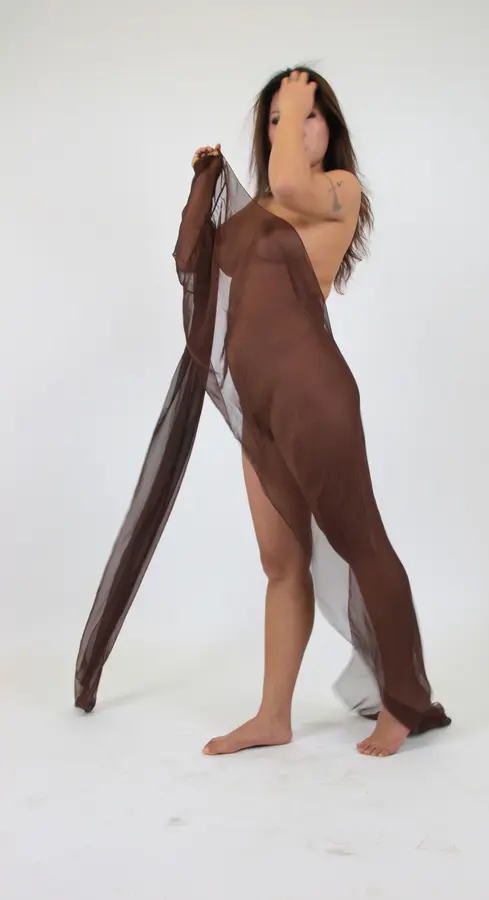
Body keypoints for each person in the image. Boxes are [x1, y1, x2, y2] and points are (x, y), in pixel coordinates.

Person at [74, 66, 451, 758]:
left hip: (314, 397)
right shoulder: (261, 211)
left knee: (361, 540)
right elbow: (194, 263)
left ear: (329, 126)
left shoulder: (337, 190)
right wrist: (204, 184)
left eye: (307, 115)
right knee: (280, 561)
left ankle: (403, 702)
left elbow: (293, 183)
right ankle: (273, 716)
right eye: (277, 120)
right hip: (260, 411)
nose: (292, 128)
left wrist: (293, 100)